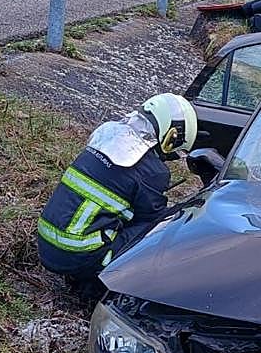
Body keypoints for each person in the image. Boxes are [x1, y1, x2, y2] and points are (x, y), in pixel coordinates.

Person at [37, 94, 197, 292]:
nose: (169, 158)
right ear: (171, 135)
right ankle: (101, 286)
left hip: (46, 244)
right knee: (162, 228)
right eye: (173, 152)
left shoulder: (107, 135)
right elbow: (152, 219)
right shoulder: (153, 170)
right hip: (76, 255)